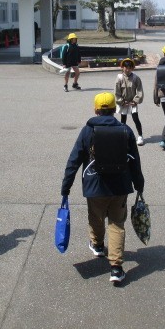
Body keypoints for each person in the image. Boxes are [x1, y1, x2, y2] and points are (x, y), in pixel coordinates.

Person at [61, 92, 145, 284]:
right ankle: (116, 268)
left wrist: (66, 187)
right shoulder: (126, 130)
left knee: (96, 217)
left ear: (96, 110)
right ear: (115, 109)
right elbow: (135, 162)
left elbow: (74, 160)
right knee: (116, 224)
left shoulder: (87, 131)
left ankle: (97, 245)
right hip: (120, 186)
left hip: (95, 185)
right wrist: (139, 184)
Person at [114, 58, 145, 146]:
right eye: (126, 67)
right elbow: (117, 92)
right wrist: (121, 102)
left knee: (136, 119)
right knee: (123, 120)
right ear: (122, 67)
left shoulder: (135, 78)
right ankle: (122, 136)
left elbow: (139, 90)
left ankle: (140, 136)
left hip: (132, 102)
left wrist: (135, 101)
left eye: (129, 68)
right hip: (123, 103)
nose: (127, 70)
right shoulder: (119, 78)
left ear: (132, 68)